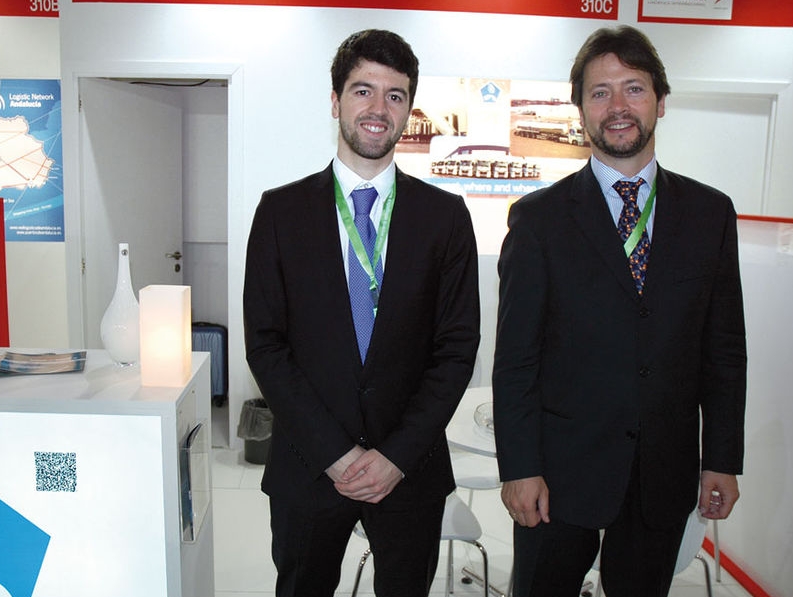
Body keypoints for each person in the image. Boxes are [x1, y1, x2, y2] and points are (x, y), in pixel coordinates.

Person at [492, 25, 747, 597]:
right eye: (600, 92)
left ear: (661, 100)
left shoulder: (710, 214)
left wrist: (721, 457)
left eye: (633, 88)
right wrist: (520, 467)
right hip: (558, 473)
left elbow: (724, 350)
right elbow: (516, 360)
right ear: (581, 108)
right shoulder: (539, 220)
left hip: (663, 471)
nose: (618, 107)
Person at [243, 29, 480, 597]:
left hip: (409, 469)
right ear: (336, 101)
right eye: (363, 91)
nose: (378, 109)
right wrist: (336, 453)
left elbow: (456, 350)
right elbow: (266, 346)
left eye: (395, 95)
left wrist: (395, 456)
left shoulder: (445, 218)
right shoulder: (280, 212)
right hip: (309, 464)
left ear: (408, 111)